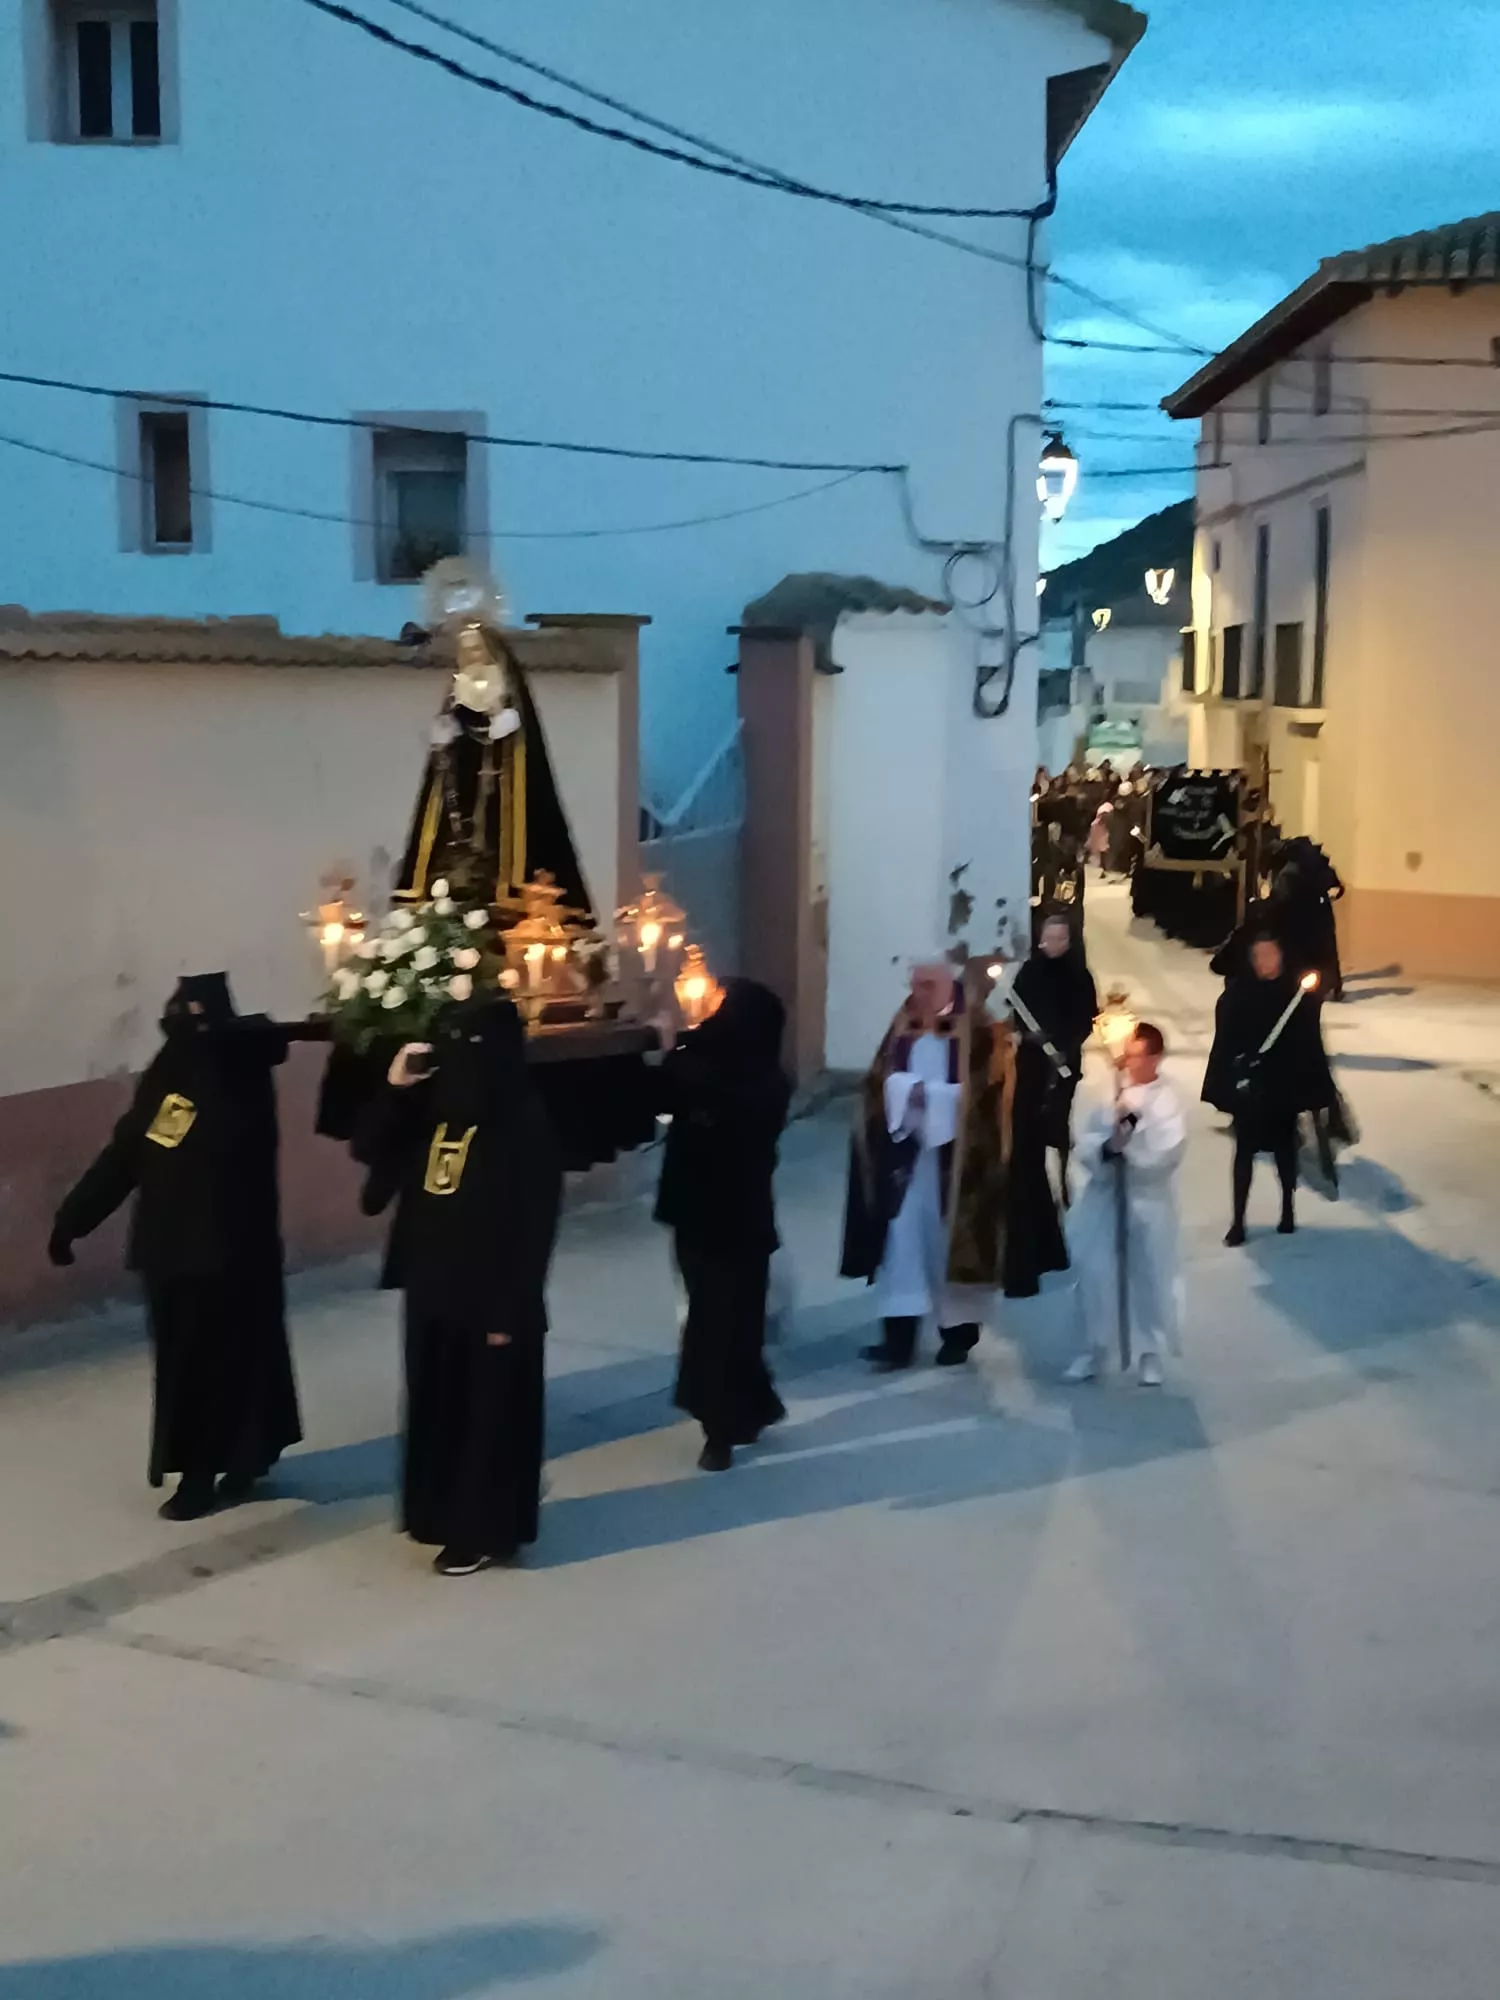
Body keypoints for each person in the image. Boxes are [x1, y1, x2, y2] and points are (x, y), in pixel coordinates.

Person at [48, 974, 304, 1521]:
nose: (186, 1029)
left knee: (233, 1358)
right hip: (171, 1252)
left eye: (195, 1018)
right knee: (187, 1366)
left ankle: (219, 1466)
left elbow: (236, 1154)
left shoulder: (240, 1073)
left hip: (232, 1253)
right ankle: (209, 1463)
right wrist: (73, 1218)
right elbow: (129, 1153)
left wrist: (237, 1038)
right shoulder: (171, 1072)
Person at [361, 997, 562, 1576]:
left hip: (493, 1297)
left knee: (488, 1417)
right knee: (439, 1408)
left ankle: (484, 1531)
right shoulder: (438, 1109)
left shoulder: (525, 1122)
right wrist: (398, 1088)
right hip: (431, 1286)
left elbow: (533, 1227)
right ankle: (437, 1514)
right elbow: (374, 1150)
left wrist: (509, 1311)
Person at [840, 962, 1013, 1371]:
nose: (918, 992)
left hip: (958, 1163)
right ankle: (897, 1340)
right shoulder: (904, 1021)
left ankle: (957, 1337)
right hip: (907, 1153)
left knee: (948, 1246)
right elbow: (879, 1077)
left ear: (947, 982)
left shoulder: (979, 1027)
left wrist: (933, 1099)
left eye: (927, 984)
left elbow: (991, 1090)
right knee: (901, 1242)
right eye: (914, 984)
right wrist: (900, 1094)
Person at [654, 980, 791, 1472]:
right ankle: (751, 1406)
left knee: (719, 1320)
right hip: (710, 1211)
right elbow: (668, 1093)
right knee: (730, 1316)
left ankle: (721, 1426)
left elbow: (695, 1085)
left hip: (727, 1215)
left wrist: (675, 1045)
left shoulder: (760, 1082)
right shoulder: (725, 1061)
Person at [1062, 1022, 1186, 1388]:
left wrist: (1130, 1150)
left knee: (1148, 1276)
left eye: (1136, 1056)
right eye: (1126, 1055)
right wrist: (1106, 1149)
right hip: (1105, 1198)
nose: (1128, 1063)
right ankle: (1093, 1348)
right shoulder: (1108, 1094)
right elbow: (1085, 1139)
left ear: (1155, 1057)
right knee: (1095, 1274)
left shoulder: (1167, 1100)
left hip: (1146, 1200)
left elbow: (1169, 1150)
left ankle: (1150, 1352)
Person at [1203, 934, 1336, 1245]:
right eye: (1259, 956)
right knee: (1244, 1152)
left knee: (1285, 1150)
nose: (1266, 962)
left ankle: (1287, 1209)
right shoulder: (1237, 996)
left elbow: (1307, 1038)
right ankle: (1238, 1221)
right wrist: (1238, 1064)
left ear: (1282, 956)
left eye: (1272, 955)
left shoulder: (1296, 995)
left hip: (1282, 1085)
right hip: (1250, 1089)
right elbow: (1226, 1038)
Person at [1012, 911, 1099, 1204]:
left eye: (1060, 938)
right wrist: (1028, 1036)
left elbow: (1085, 1020)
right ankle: (1029, 1181)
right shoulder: (1028, 972)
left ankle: (1061, 1181)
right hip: (1031, 1062)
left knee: (1058, 1121)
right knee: (1027, 1120)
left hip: (1063, 1062)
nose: (1053, 944)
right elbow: (1018, 1013)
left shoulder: (1079, 976)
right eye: (1048, 938)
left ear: (1070, 941)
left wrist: (1066, 1048)